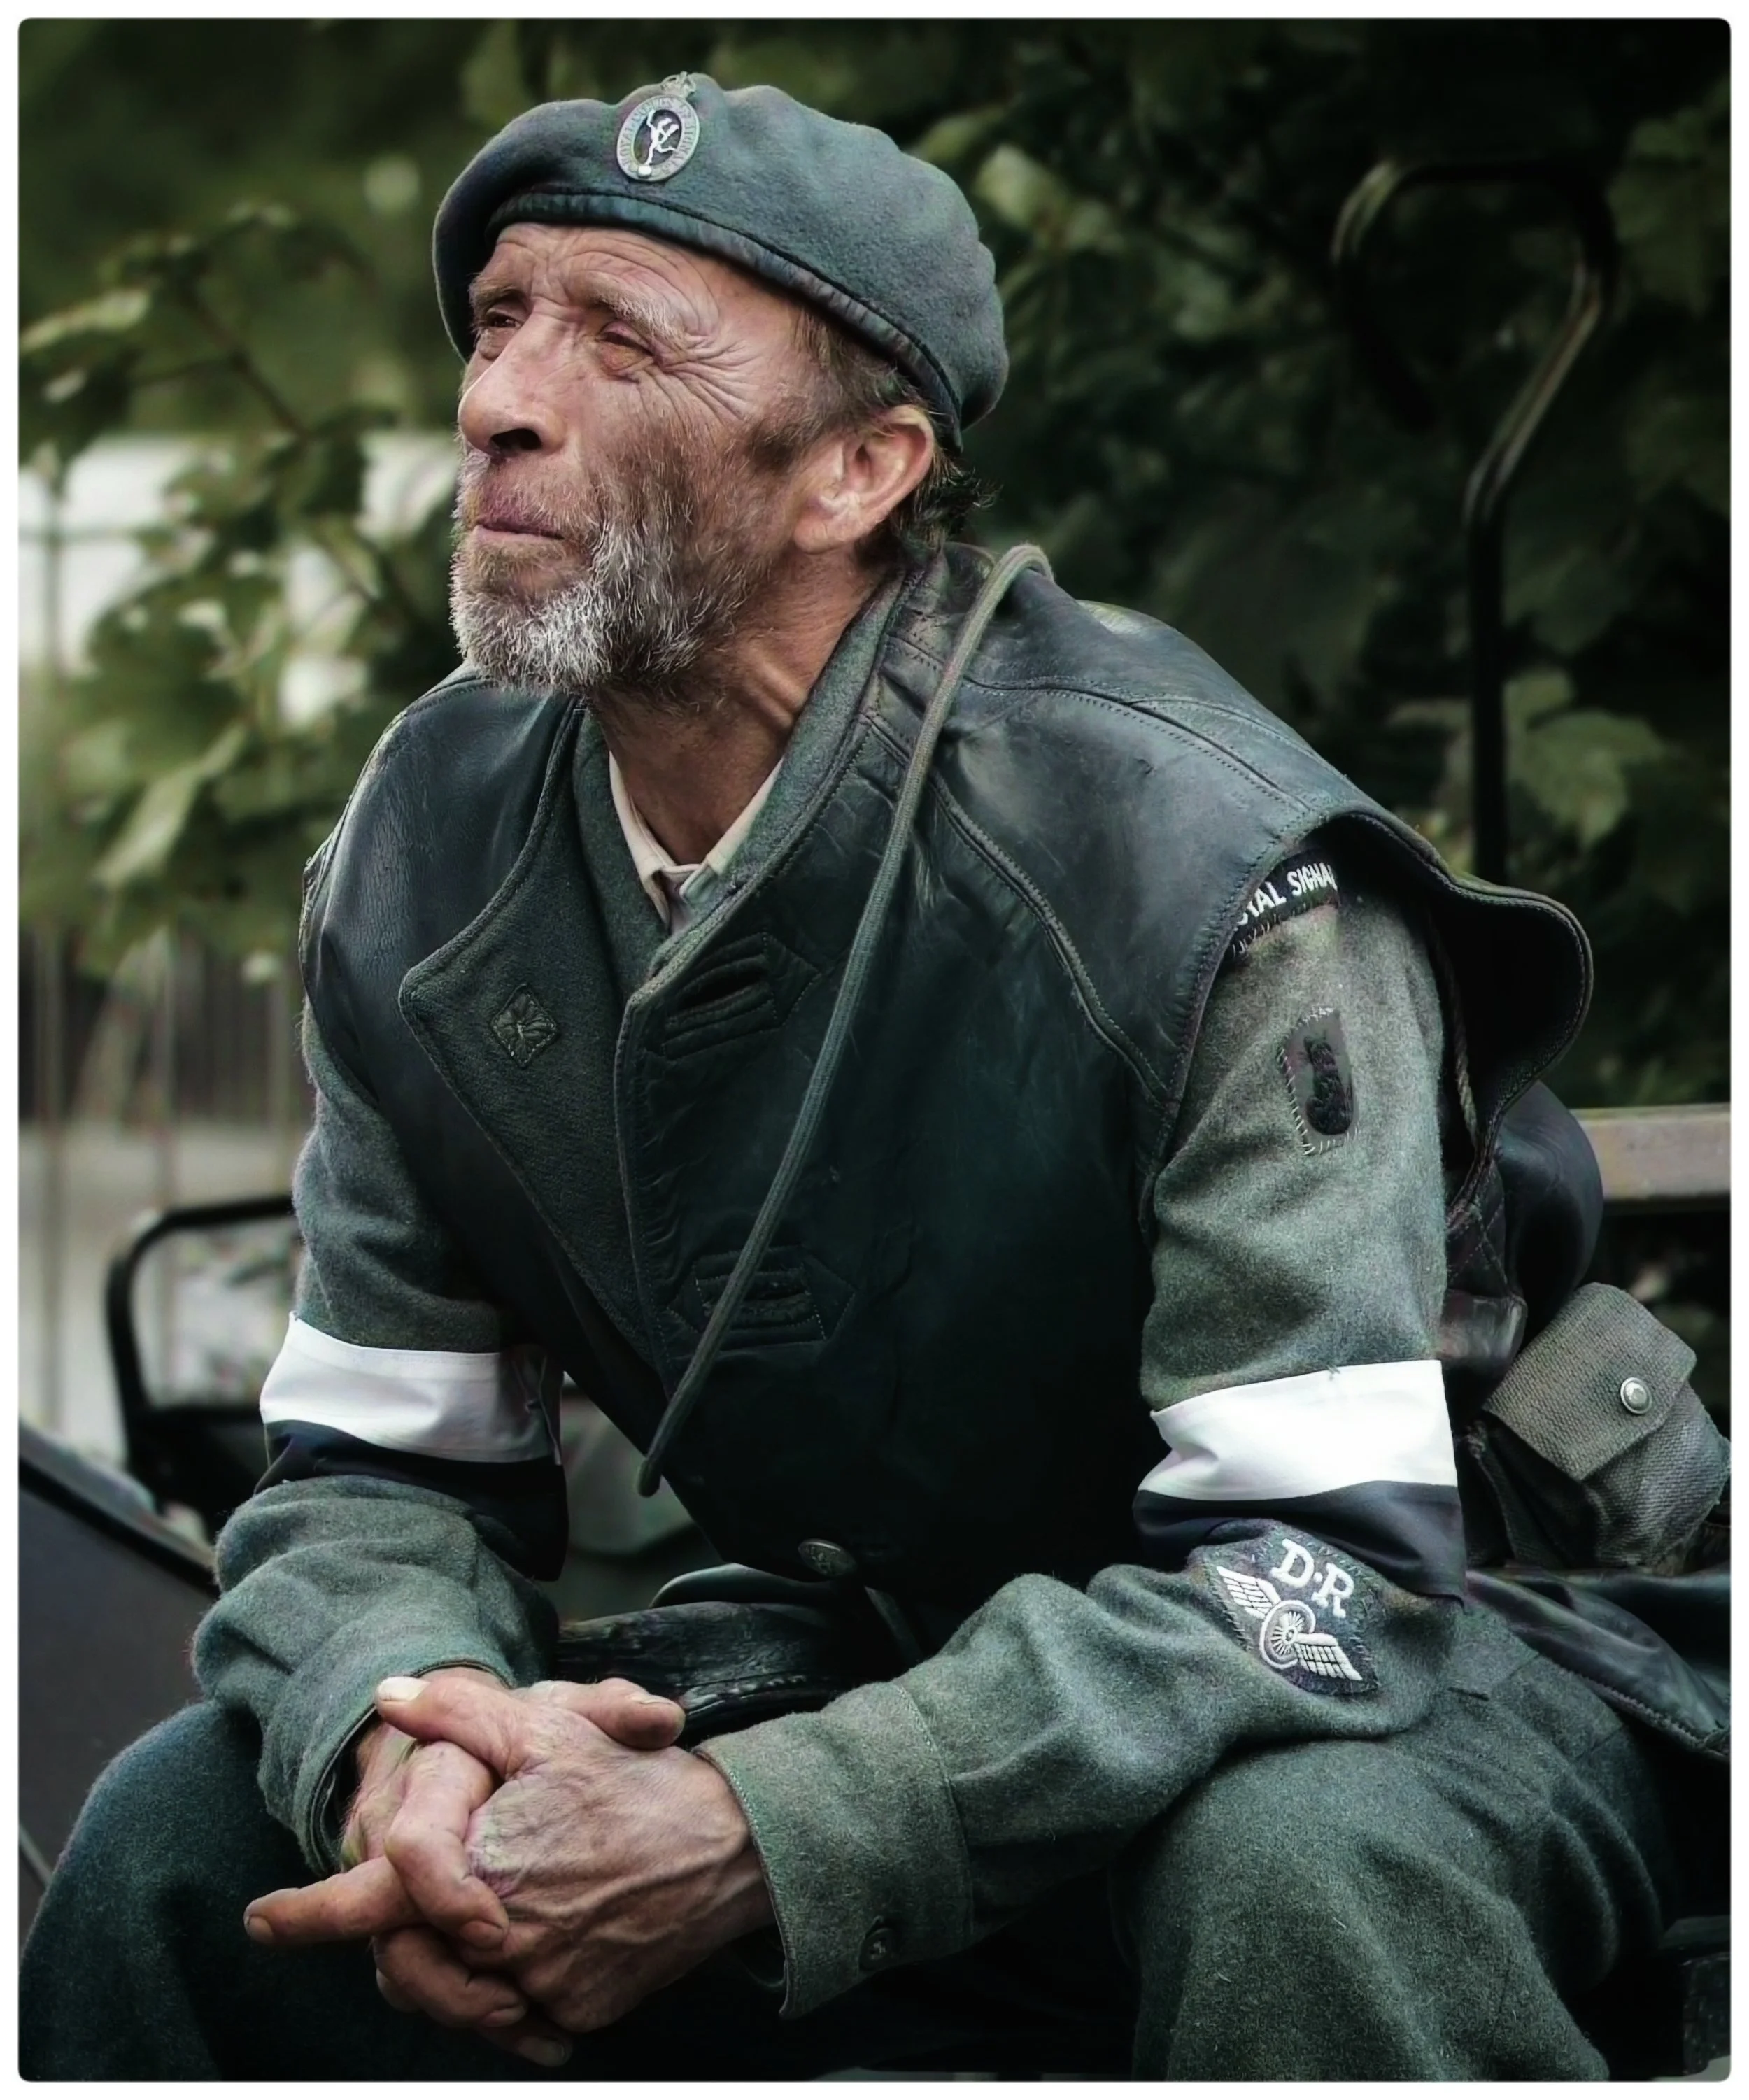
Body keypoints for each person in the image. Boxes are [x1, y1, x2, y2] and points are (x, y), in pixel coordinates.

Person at [22, 72, 1721, 2081]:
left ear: (858, 471)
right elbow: (378, 1471)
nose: (497, 398)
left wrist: (764, 1825)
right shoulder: (428, 844)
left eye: (621, 338)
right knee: (180, 1842)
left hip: (1464, 1642)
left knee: (1295, 1863)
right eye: (498, 321)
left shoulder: (1191, 866)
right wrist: (405, 1722)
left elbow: (1320, 1570)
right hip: (917, 1644)